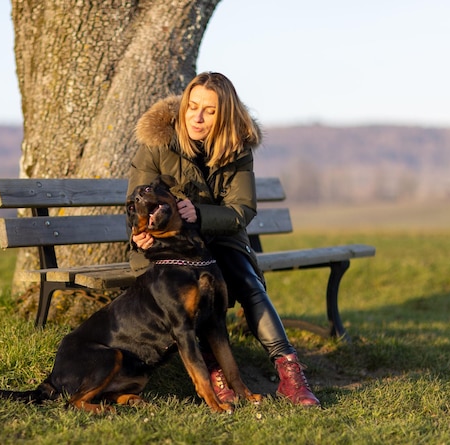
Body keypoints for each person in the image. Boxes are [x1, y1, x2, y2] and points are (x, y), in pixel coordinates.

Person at [126, 72, 320, 407]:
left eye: (210, 111)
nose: (197, 118)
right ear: (184, 106)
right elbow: (136, 203)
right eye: (193, 107)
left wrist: (199, 215)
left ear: (225, 114)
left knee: (247, 282)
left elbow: (241, 209)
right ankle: (214, 371)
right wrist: (139, 236)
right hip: (168, 246)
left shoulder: (236, 147)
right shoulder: (158, 142)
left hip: (220, 240)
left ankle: (289, 373)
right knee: (188, 287)